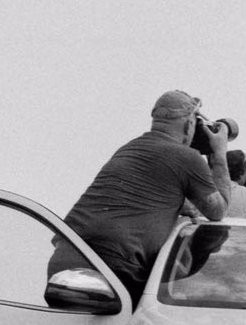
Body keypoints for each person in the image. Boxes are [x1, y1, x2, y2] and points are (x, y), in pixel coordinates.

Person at [52, 90, 232, 307]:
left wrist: (180, 205)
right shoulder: (188, 158)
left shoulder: (130, 148)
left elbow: (142, 194)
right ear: (188, 125)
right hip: (112, 268)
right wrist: (219, 154)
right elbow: (218, 210)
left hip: (66, 257)